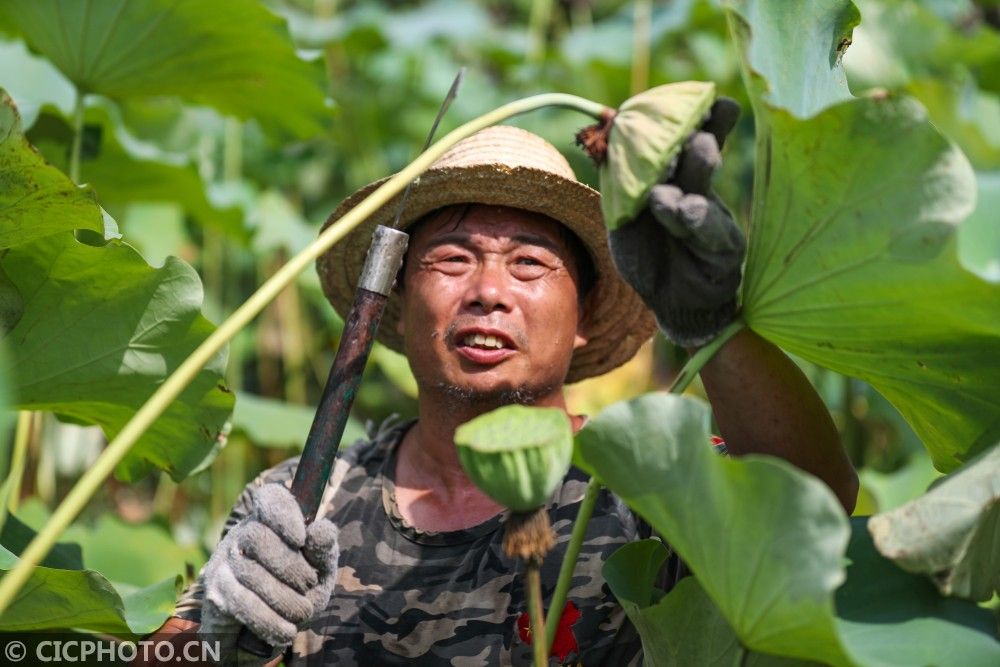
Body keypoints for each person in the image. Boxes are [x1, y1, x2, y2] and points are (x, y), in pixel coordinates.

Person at [146, 106, 857, 665]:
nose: (488, 291)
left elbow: (814, 502)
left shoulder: (646, 477)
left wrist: (711, 324)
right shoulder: (307, 502)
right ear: (397, 301)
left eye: (528, 265)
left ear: (581, 317)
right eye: (452, 259)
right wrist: (217, 641)